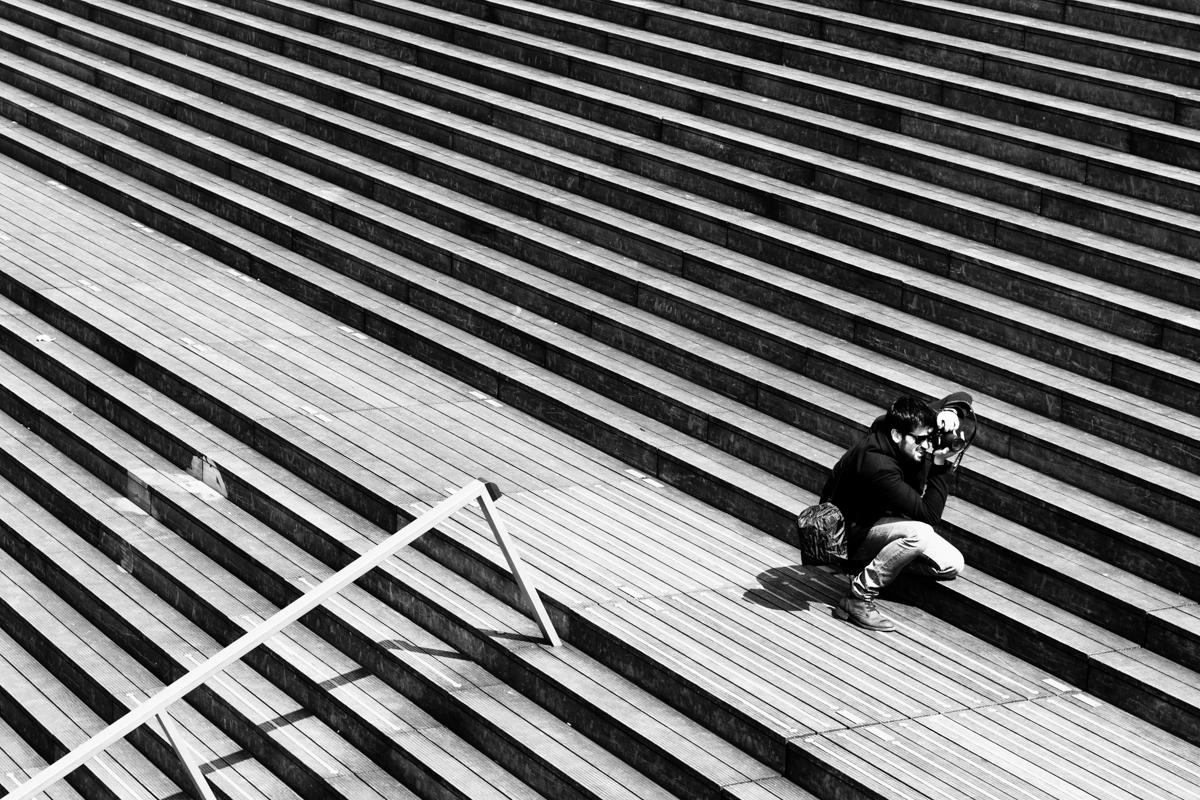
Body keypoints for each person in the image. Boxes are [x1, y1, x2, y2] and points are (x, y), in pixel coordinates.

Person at [820, 394, 969, 632]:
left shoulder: (897, 424)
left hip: (880, 520)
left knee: (952, 564)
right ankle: (858, 597)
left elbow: (962, 397)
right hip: (850, 534)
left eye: (929, 437)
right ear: (897, 435)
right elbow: (928, 516)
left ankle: (873, 566)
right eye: (920, 440)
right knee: (919, 533)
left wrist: (950, 413)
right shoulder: (877, 465)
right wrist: (940, 465)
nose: (927, 445)